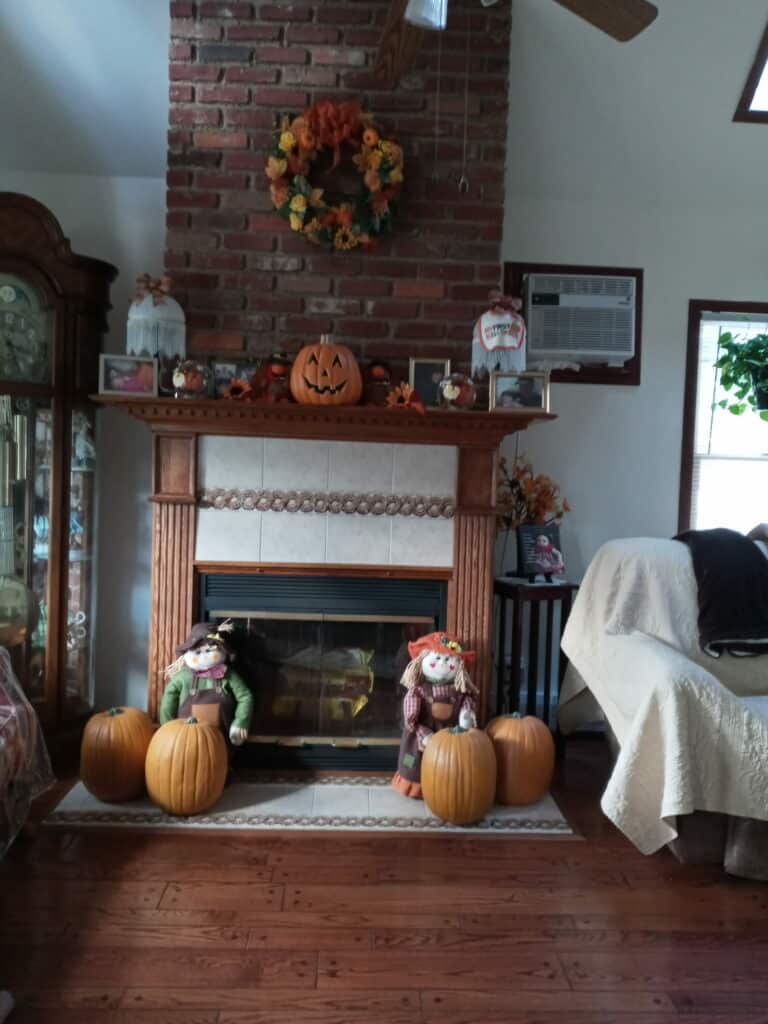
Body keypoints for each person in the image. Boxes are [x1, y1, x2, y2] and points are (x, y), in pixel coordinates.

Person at [392, 631, 478, 799]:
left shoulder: (460, 691)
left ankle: (447, 786)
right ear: (421, 662)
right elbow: (411, 721)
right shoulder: (418, 691)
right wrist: (424, 735)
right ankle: (413, 784)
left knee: (449, 762)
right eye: (437, 658)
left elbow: (468, 701)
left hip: (450, 736)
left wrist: (466, 715)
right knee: (413, 761)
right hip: (422, 734)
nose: (442, 664)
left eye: (448, 659)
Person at [160, 620, 254, 748]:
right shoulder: (183, 677)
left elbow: (245, 696)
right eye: (198, 652)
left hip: (220, 742)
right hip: (184, 742)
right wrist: (167, 728)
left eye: (209, 651)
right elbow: (168, 702)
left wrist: (240, 722)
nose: (204, 657)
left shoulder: (228, 675)